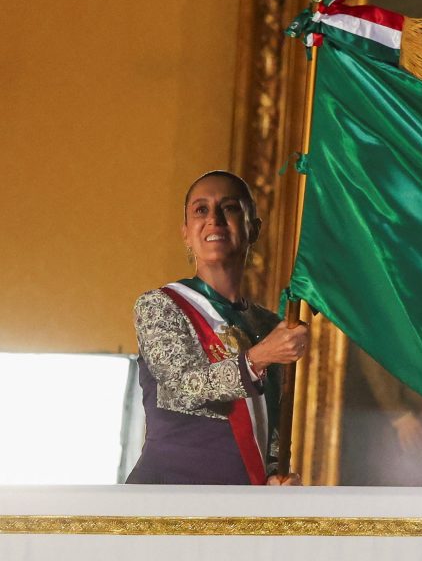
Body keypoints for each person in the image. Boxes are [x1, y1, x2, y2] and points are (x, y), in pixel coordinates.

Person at [126, 170, 309, 485]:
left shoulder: (268, 325)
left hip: (239, 505)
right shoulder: (160, 305)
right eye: (201, 210)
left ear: (254, 228)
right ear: (186, 232)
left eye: (230, 208)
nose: (214, 219)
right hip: (166, 498)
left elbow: (271, 426)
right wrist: (257, 359)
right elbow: (183, 386)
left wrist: (274, 475)